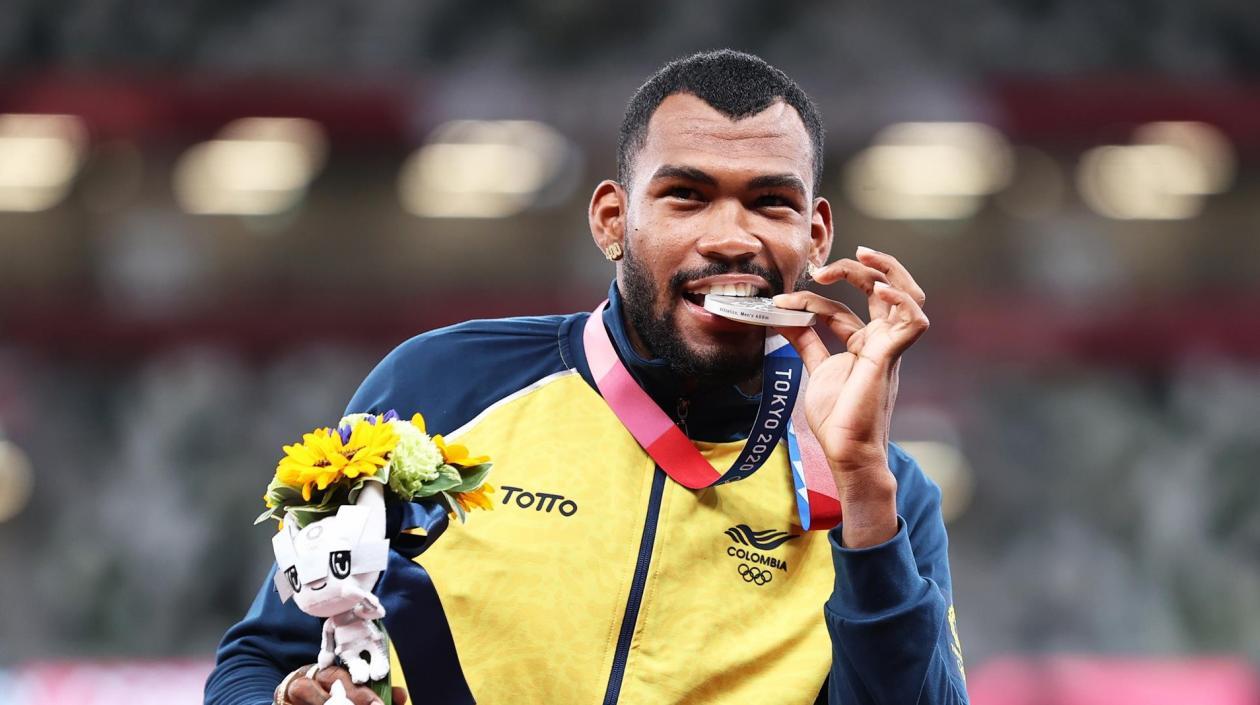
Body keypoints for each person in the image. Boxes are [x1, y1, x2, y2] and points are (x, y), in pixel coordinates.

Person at [206, 49, 968, 705]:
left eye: (771, 201)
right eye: (687, 195)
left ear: (816, 233)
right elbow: (256, 662)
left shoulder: (883, 500)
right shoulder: (437, 390)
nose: (731, 236)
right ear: (612, 220)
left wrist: (864, 485)